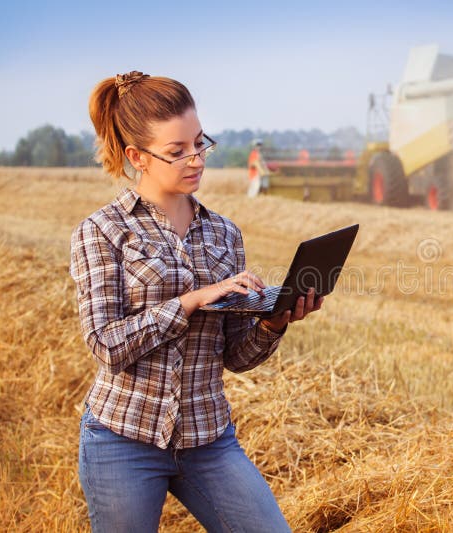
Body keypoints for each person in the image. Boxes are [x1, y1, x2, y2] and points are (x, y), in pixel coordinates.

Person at [69, 71, 323, 532]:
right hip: (122, 439)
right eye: (176, 151)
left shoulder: (225, 234)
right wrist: (190, 301)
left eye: (199, 143)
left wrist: (272, 323)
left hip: (208, 438)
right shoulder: (103, 231)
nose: (195, 159)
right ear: (136, 157)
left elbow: (234, 357)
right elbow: (105, 344)